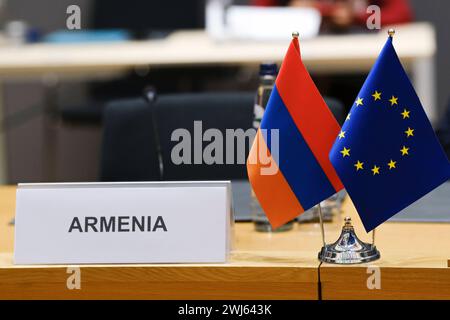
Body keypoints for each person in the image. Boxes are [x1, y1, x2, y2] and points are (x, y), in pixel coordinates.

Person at [251, 0, 413, 31]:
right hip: (297, 64)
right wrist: (291, 14)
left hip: (357, 68)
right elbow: (259, 17)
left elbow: (401, 15)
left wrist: (357, 17)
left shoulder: (359, 16)